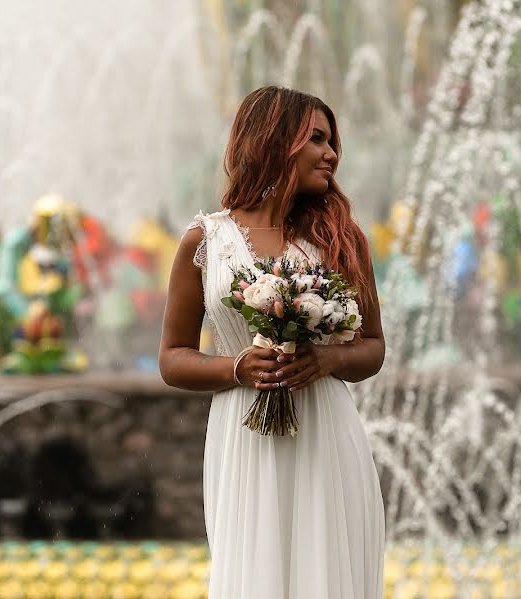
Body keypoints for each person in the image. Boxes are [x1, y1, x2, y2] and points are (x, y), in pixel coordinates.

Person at [158, 86, 386, 599]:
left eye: (334, 143)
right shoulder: (206, 242)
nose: (332, 154)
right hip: (245, 436)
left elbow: (373, 348)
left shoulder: (343, 238)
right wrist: (237, 367)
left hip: (326, 431)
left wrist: (327, 358)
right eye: (317, 139)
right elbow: (172, 359)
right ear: (273, 140)